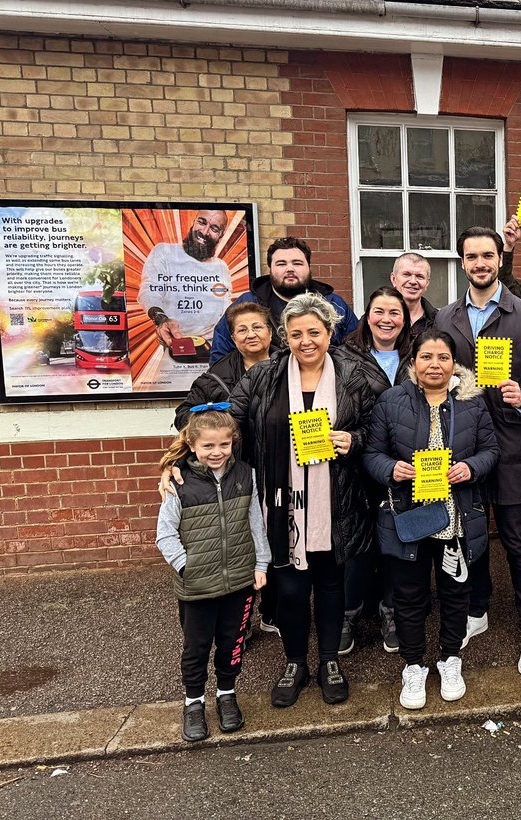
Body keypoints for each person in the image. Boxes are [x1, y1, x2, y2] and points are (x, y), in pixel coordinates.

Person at [228, 293, 377, 708]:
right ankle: (295, 662)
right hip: (281, 501)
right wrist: (182, 457)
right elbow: (231, 419)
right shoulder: (265, 375)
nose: (306, 341)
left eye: (314, 332)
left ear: (330, 332)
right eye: (296, 334)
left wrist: (354, 439)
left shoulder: (353, 374)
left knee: (331, 587)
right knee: (290, 590)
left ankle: (329, 661)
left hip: (337, 500)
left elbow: (374, 427)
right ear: (285, 337)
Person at [433, 227, 521, 677]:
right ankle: (477, 610)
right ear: (461, 262)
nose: (480, 263)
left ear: (500, 260)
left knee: (519, 539)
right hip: (461, 443)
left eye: (488, 255)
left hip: (511, 446)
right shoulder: (445, 318)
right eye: (471, 256)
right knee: (469, 535)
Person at [363, 330, 500, 710]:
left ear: (454, 363)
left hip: (457, 517)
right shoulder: (392, 401)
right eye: (426, 357)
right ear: (413, 362)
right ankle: (413, 665)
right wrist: (393, 469)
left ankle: (451, 658)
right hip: (409, 516)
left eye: (443, 357)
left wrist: (470, 468)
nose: (435, 364)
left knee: (456, 593)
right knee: (409, 596)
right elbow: (372, 454)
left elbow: (491, 449)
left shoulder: (472, 403)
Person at [156, 408, 271, 742]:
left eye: (224, 444)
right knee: (196, 647)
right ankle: (193, 702)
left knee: (231, 644)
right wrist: (185, 566)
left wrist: (261, 563)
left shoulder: (245, 474)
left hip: (239, 580)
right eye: (208, 446)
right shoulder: (180, 481)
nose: (217, 452)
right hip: (196, 586)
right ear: (192, 446)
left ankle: (226, 694)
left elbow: (255, 522)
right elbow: (165, 533)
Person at [337, 286, 414, 656]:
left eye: (395, 313)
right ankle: (348, 614)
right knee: (356, 542)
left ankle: (390, 611)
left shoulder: (416, 355)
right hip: (356, 460)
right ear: (367, 316)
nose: (387, 319)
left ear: (406, 318)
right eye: (379, 311)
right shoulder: (344, 357)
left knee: (398, 539)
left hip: (405, 463)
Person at [209, 236, 359, 363]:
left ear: (309, 267)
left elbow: (357, 352)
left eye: (297, 263)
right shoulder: (247, 306)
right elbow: (221, 359)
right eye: (281, 264)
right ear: (270, 269)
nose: (290, 269)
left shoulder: (334, 304)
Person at [138, 208, 233, 373]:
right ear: (193, 222)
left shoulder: (221, 267)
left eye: (214, 228)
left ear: (221, 236)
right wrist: (161, 319)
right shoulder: (164, 252)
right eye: (202, 222)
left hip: (214, 355)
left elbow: (225, 310)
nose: (204, 232)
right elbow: (149, 291)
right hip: (175, 352)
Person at [175, 302, 273, 430]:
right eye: (242, 330)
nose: (251, 335)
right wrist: (216, 420)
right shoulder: (216, 377)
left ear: (270, 332)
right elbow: (182, 416)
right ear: (233, 339)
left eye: (257, 327)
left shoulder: (290, 364)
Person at [390, 252, 438, 339]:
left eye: (419, 276)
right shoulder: (377, 320)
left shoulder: (439, 321)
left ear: (427, 283)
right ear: (394, 279)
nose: (413, 281)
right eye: (406, 274)